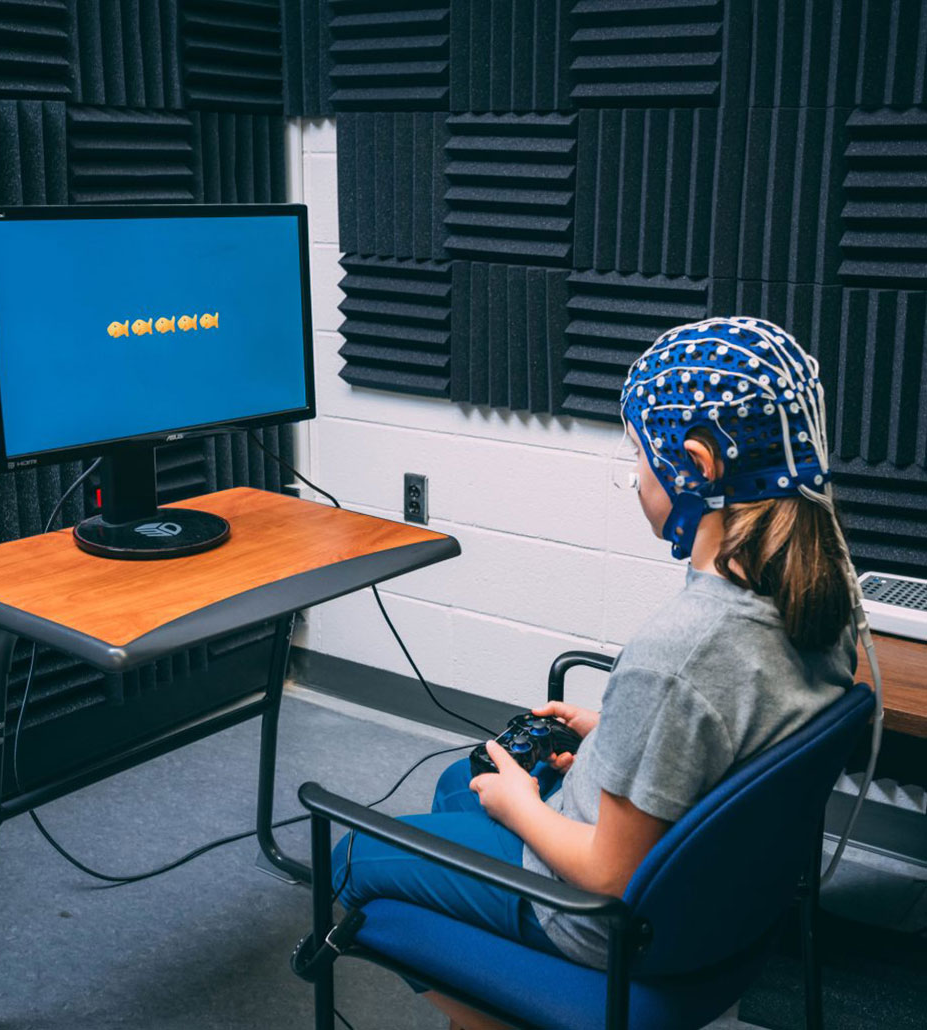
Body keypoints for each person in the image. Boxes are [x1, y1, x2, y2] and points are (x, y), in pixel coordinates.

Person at [330, 317, 873, 1030]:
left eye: (640, 458)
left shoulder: (679, 653)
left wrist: (521, 806)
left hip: (599, 921)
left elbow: (610, 876)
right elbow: (736, 730)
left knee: (352, 857)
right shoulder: (823, 597)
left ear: (697, 464)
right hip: (717, 911)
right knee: (458, 783)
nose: (637, 480)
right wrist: (617, 733)